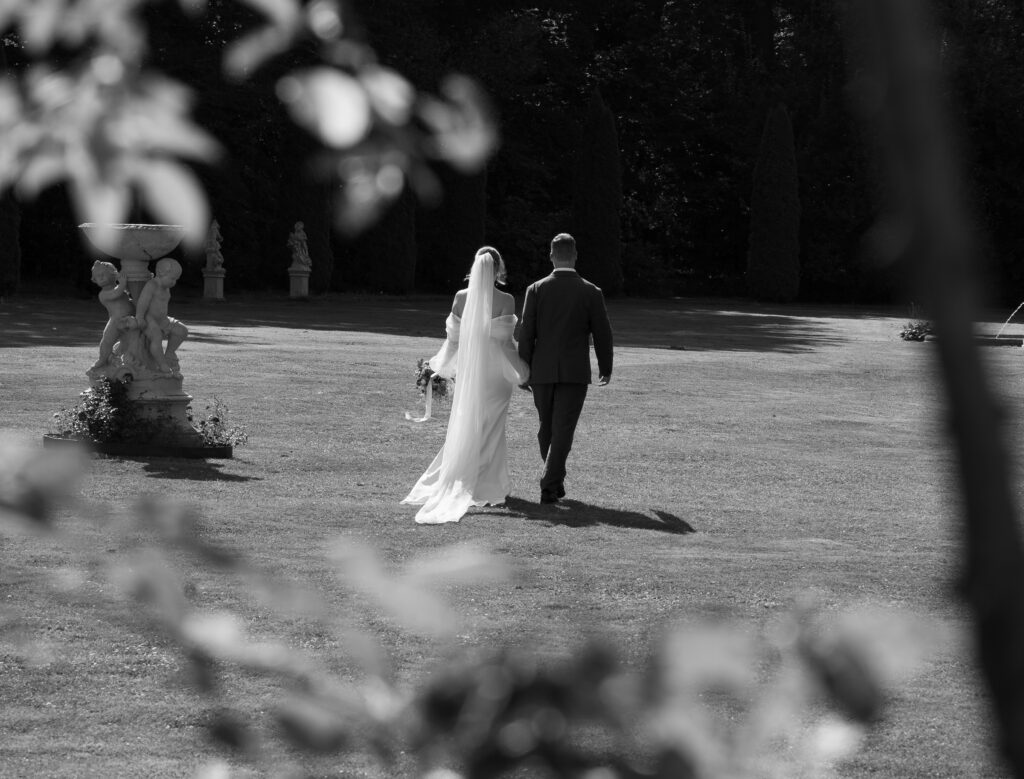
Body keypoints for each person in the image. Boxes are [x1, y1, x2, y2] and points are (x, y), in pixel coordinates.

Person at [403, 246, 530, 524]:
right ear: (497, 269)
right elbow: (508, 345)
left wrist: (437, 367)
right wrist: (522, 373)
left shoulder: (461, 298)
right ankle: (487, 485)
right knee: (492, 427)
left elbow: (453, 342)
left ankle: (471, 479)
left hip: (469, 375)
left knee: (468, 424)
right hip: (496, 377)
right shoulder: (506, 299)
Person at [518, 233, 613, 504]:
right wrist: (605, 367)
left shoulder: (536, 289)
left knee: (547, 428)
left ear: (550, 255)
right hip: (574, 371)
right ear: (575, 255)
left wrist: (523, 369)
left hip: (542, 370)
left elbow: (527, 333)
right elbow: (603, 333)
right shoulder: (591, 291)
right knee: (562, 429)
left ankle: (553, 480)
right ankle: (550, 485)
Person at [135, 258, 188, 375]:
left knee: (182, 330)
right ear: (161, 273)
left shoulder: (166, 287)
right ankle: (162, 364)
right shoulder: (152, 285)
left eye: (176, 279)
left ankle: (169, 353)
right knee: (156, 338)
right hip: (150, 319)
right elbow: (143, 302)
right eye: (172, 278)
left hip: (162, 319)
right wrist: (139, 317)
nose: (174, 282)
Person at [89, 261, 138, 373]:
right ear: (95, 280)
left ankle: (116, 357)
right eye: (97, 276)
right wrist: (123, 284)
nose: (101, 278)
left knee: (126, 342)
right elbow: (116, 293)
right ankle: (102, 360)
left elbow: (127, 298)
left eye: (103, 274)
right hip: (116, 322)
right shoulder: (104, 294)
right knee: (106, 341)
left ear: (113, 274)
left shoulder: (121, 289)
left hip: (128, 321)